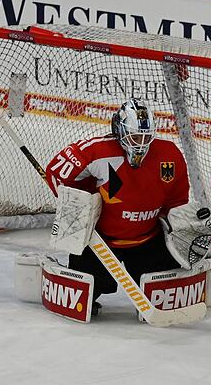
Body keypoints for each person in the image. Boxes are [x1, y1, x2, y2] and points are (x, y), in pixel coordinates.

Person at [45, 99, 192, 315]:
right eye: (134, 136)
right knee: (81, 301)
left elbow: (177, 200)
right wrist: (78, 204)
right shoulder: (97, 151)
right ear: (120, 131)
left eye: (146, 137)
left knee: (164, 298)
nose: (141, 144)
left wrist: (179, 228)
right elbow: (55, 172)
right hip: (100, 244)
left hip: (148, 241)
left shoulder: (169, 155)